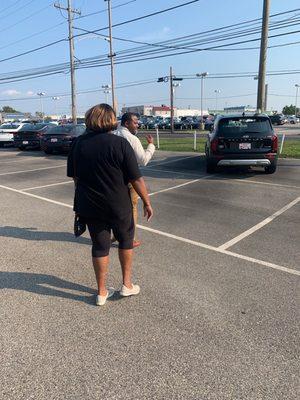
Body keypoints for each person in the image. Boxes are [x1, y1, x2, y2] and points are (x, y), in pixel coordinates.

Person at [67, 104, 153, 306]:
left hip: (89, 204)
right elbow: (136, 179)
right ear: (111, 120)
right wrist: (147, 202)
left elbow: (75, 177)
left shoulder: (78, 144)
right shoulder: (119, 144)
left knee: (99, 246)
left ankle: (101, 292)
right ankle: (126, 285)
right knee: (125, 241)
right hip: (118, 204)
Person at [115, 112, 155, 248]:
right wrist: (151, 146)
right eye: (136, 122)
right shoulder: (132, 139)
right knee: (131, 209)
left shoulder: (112, 135)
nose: (138, 124)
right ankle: (129, 239)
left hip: (113, 180)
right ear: (127, 123)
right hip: (129, 180)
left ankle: (116, 234)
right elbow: (143, 160)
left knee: (116, 208)